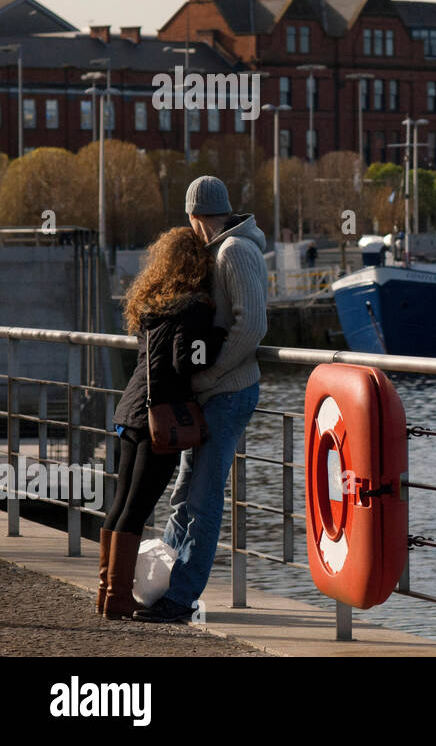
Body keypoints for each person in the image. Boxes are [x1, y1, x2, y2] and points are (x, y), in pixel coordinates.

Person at [134, 176, 268, 623]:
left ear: (194, 217)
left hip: (228, 393)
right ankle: (162, 583)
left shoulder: (235, 252)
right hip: (214, 395)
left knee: (204, 499)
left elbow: (252, 328)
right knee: (185, 496)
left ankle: (181, 597)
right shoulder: (224, 250)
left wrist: (208, 373)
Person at [99, 228, 227, 619]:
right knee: (137, 508)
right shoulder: (194, 307)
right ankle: (118, 597)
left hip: (131, 412)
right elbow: (187, 361)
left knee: (121, 504)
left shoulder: (151, 304)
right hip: (162, 420)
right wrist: (219, 338)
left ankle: (107, 592)